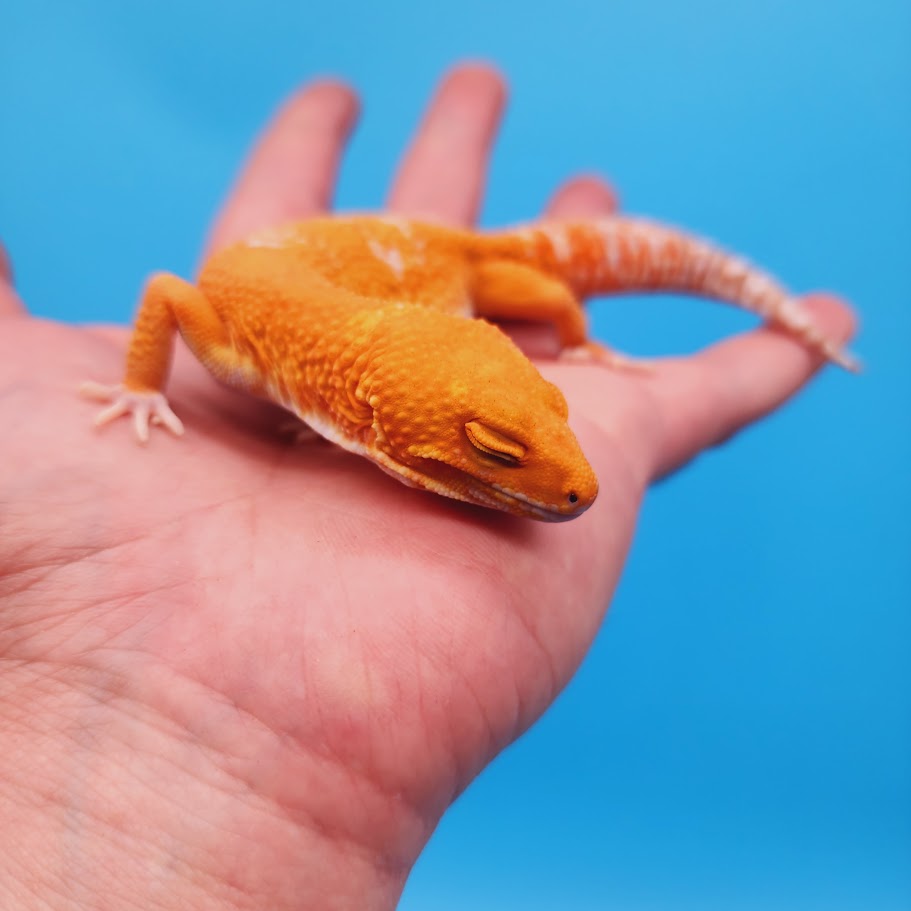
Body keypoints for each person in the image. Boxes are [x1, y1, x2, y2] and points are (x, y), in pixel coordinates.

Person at [0, 63, 853, 909]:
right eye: (493, 448)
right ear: (367, 412)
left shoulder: (418, 322)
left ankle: (627, 332)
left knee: (539, 303)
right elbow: (166, 293)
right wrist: (141, 387)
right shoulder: (239, 354)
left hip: (418, 268)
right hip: (359, 293)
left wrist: (571, 337)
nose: (574, 488)